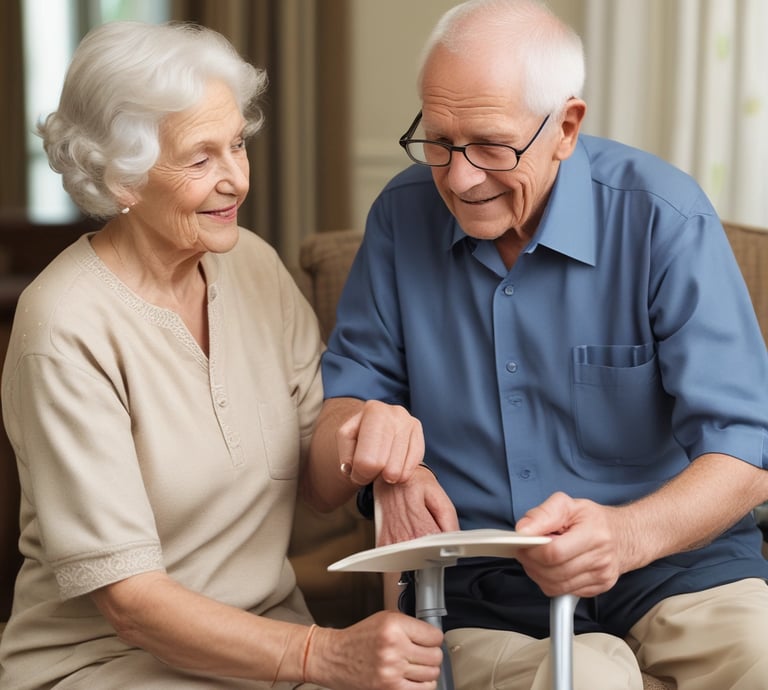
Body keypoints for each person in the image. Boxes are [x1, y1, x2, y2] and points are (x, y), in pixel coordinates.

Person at [305, 1, 768, 688]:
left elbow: (748, 449)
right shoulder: (402, 219)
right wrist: (380, 456)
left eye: (492, 145)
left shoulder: (662, 218)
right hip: (484, 588)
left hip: (678, 566)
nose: (460, 179)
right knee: (590, 681)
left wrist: (628, 535)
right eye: (439, 141)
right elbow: (332, 443)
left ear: (566, 127)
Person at [0, 21, 444, 690]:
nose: (235, 178)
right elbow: (132, 606)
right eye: (200, 158)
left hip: (269, 650)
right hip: (111, 665)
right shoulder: (64, 327)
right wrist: (322, 657)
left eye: (237, 144)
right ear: (123, 177)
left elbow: (320, 483)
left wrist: (368, 444)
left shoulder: (253, 268)